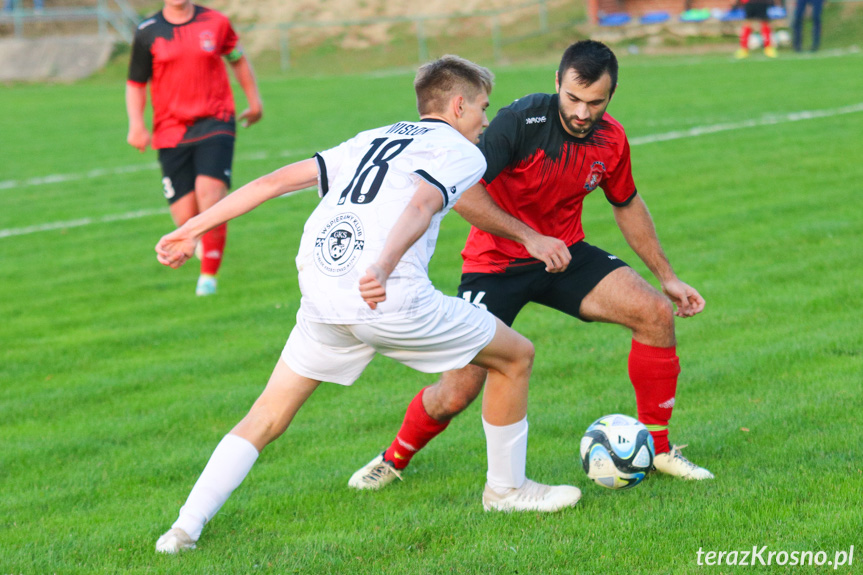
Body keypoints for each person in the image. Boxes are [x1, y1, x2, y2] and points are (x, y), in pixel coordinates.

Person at [152, 55, 582, 554]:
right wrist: (382, 266)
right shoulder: (463, 151)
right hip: (388, 296)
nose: (486, 121)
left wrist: (189, 230)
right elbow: (423, 204)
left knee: (266, 415)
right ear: (459, 104)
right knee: (515, 356)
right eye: (482, 108)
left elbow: (272, 183)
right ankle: (506, 491)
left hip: (321, 291)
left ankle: (183, 529)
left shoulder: (371, 137)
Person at [349, 40, 714, 492]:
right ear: (557, 83)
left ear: (611, 96)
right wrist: (529, 237)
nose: (582, 113)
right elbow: (462, 191)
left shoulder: (611, 139)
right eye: (574, 99)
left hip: (563, 255)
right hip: (495, 263)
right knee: (458, 390)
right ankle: (395, 457)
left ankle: (658, 448)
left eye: (595, 102)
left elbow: (626, 203)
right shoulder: (522, 121)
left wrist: (668, 277)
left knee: (655, 313)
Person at [126, 0, 263, 296]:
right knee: (185, 217)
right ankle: (203, 245)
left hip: (216, 121)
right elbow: (136, 83)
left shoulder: (216, 22)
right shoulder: (147, 32)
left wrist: (254, 101)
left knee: (210, 196)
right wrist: (136, 124)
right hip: (171, 132)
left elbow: (237, 58)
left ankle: (208, 279)